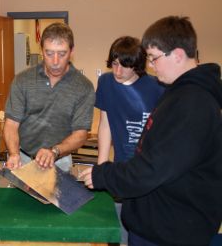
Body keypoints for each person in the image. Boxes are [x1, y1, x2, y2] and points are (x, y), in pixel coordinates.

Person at [80, 16, 222, 246]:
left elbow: (153, 168)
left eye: (154, 58)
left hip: (171, 232)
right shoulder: (178, 94)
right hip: (161, 224)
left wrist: (104, 175)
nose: (150, 66)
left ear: (177, 54)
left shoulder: (193, 103)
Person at [95, 36, 164, 245]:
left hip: (147, 170)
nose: (118, 71)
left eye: (125, 66)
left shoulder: (157, 87)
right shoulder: (106, 82)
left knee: (141, 229)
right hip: (121, 167)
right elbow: (105, 124)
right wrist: (102, 165)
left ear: (137, 66)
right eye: (114, 64)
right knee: (117, 231)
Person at [4, 22, 95, 172]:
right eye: (49, 53)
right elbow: (11, 124)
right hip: (23, 159)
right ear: (41, 51)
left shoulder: (83, 86)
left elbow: (81, 133)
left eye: (62, 53)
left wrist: (55, 151)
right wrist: (14, 154)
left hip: (60, 161)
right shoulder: (23, 80)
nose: (55, 62)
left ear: (72, 51)